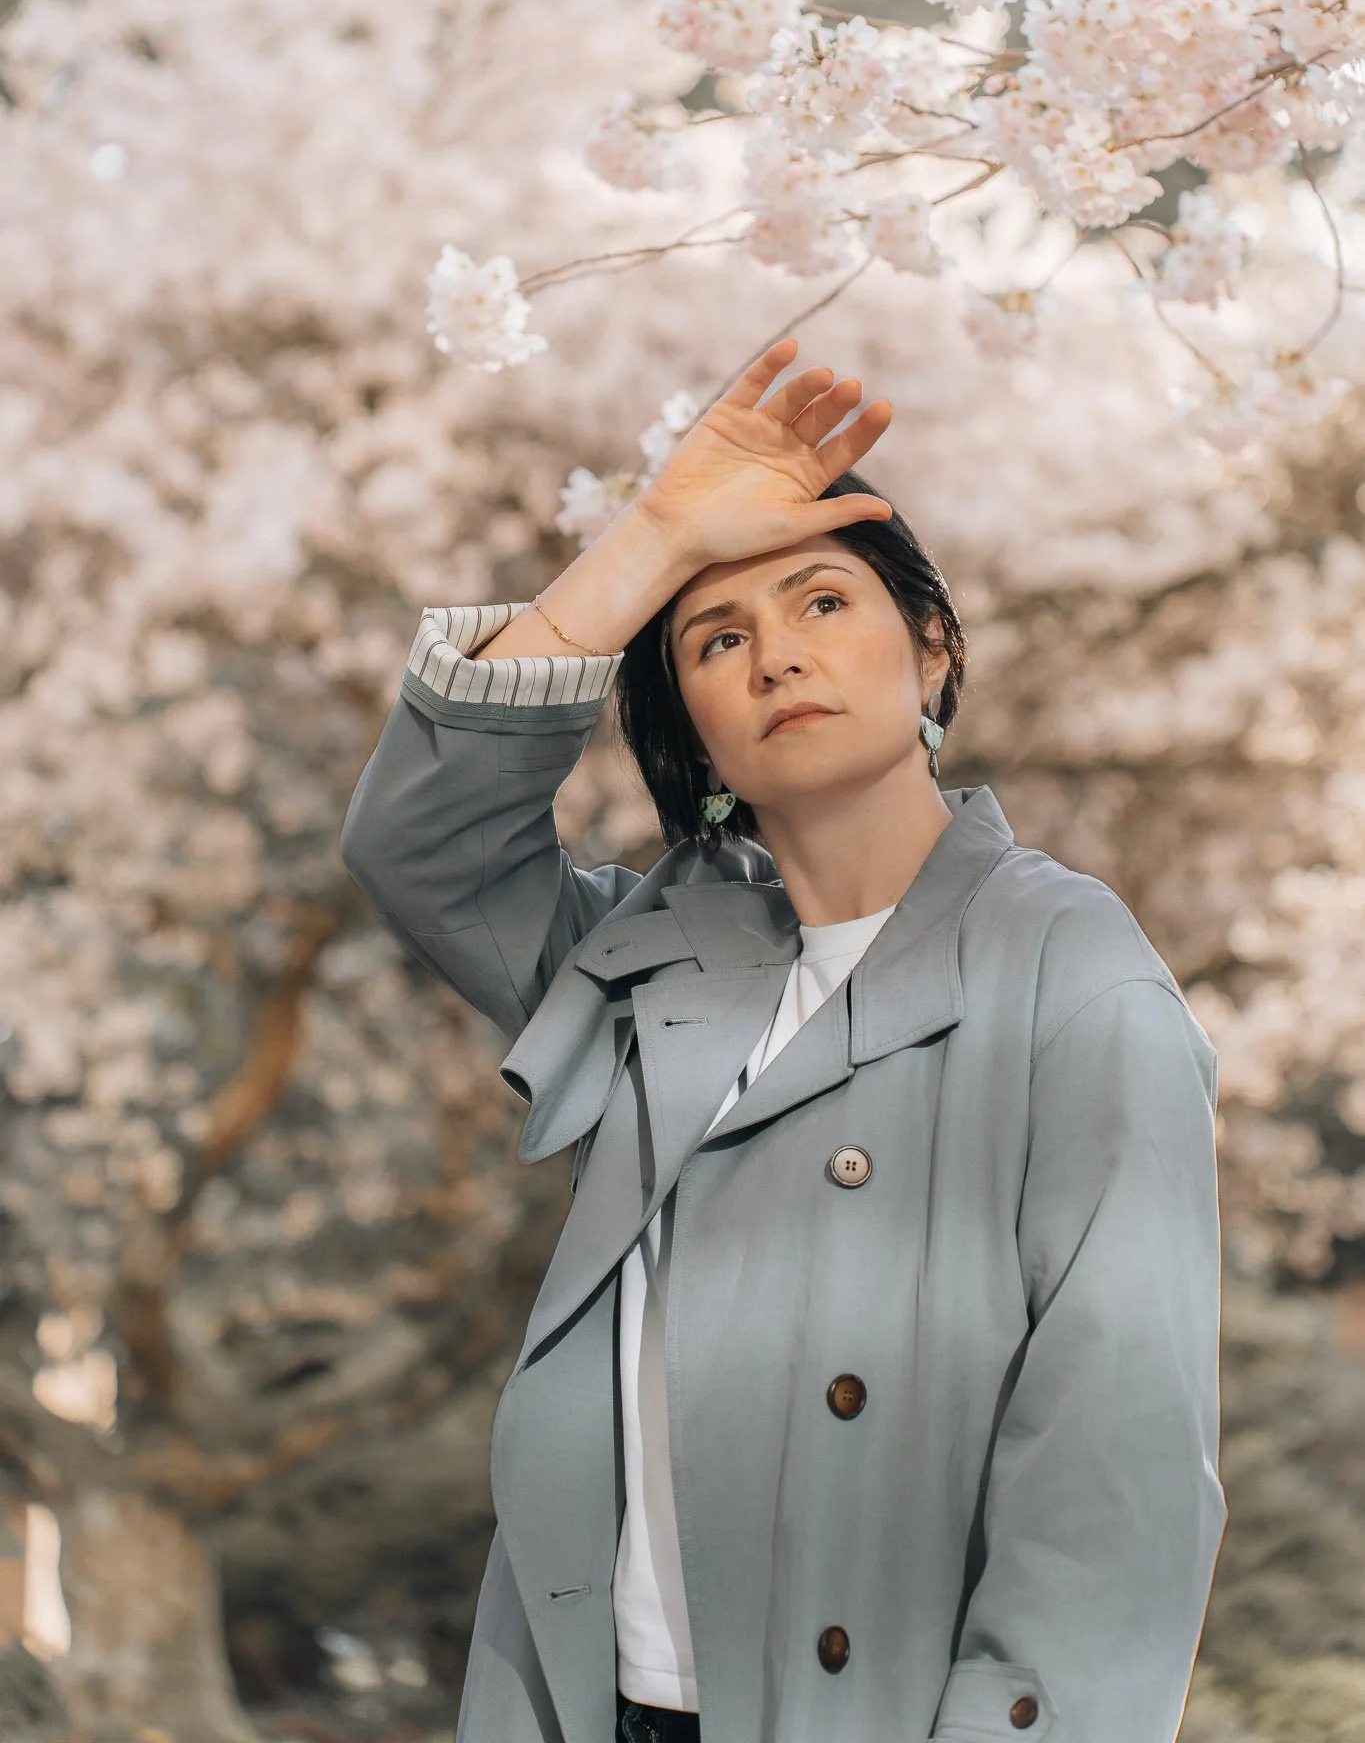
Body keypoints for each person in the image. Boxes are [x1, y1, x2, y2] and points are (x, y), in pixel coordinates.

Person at [340, 340, 1227, 1743]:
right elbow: (420, 846)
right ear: (689, 719)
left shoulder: (1068, 974)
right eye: (717, 638)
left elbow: (1112, 1479)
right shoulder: (650, 960)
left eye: (824, 600)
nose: (779, 654)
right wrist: (656, 536)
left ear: (930, 651)